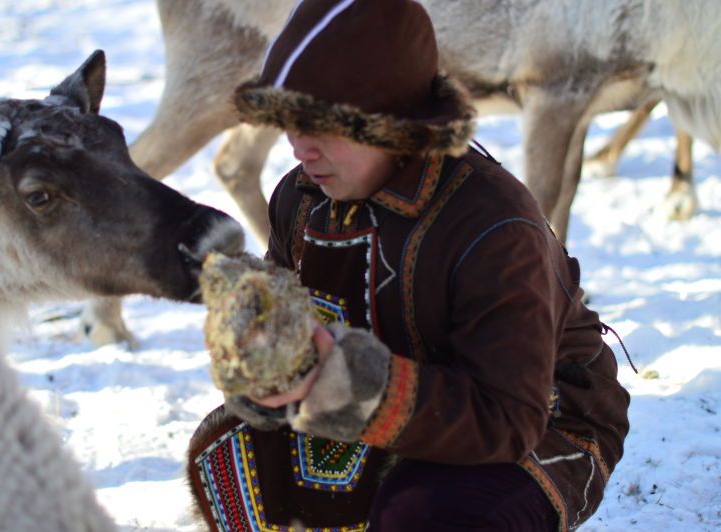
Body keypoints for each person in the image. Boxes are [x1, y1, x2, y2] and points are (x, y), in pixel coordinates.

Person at [187, 0, 631, 530]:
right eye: (286, 122)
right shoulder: (299, 199)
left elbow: (509, 419)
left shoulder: (492, 224)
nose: (300, 148)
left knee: (424, 515)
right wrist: (263, 359)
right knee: (229, 457)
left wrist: (352, 388)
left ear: (392, 123)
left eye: (321, 125)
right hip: (398, 396)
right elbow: (295, 323)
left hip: (541, 424)